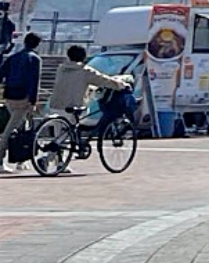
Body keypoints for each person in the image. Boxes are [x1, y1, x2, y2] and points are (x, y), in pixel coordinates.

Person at [48, 45, 134, 133]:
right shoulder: (84, 71)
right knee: (77, 120)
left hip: (55, 106)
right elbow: (104, 80)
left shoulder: (62, 69)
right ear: (84, 57)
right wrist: (122, 85)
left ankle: (62, 139)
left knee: (59, 132)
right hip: (73, 107)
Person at [1, 33, 44, 169]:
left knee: (21, 126)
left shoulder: (13, 57)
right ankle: (0, 159)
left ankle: (21, 159)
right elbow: (34, 82)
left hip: (10, 96)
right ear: (37, 44)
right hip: (23, 98)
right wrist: (33, 101)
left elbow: (1, 74)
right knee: (9, 130)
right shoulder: (35, 59)